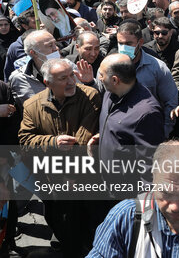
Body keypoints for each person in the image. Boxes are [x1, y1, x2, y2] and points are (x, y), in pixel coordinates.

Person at [19, 58, 101, 257]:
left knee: (89, 225)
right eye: (63, 78)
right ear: (47, 83)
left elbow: (85, 136)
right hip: (52, 178)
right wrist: (53, 142)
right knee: (60, 223)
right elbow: (25, 140)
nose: (71, 81)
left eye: (72, 75)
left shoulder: (90, 96)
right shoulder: (32, 105)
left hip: (85, 177)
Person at [90, 53, 166, 169]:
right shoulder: (110, 93)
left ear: (115, 80)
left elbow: (149, 167)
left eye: (101, 75)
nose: (99, 78)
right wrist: (106, 136)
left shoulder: (146, 113)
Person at [9, 30, 60, 107]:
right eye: (50, 45)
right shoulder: (19, 78)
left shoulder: (71, 68)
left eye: (55, 44)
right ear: (34, 53)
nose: (56, 48)